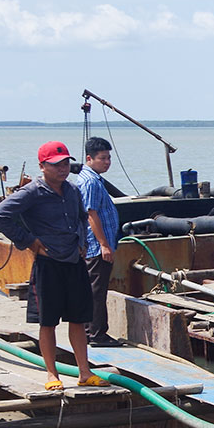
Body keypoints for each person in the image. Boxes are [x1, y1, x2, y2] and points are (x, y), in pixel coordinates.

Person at [0, 141, 112, 392]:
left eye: (66, 163)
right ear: (42, 166)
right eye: (56, 165)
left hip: (74, 261)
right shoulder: (31, 192)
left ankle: (84, 372)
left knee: (78, 319)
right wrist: (29, 242)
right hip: (48, 263)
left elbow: (81, 216)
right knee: (48, 322)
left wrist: (80, 241)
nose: (63, 169)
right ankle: (51, 373)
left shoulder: (73, 190)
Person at [77, 137, 122, 346]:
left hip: (98, 244)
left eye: (109, 158)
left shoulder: (94, 179)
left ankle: (90, 331)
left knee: (94, 288)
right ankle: (97, 334)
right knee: (97, 290)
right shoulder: (90, 182)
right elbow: (90, 214)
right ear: (89, 158)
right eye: (102, 158)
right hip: (96, 247)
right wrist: (104, 244)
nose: (107, 162)